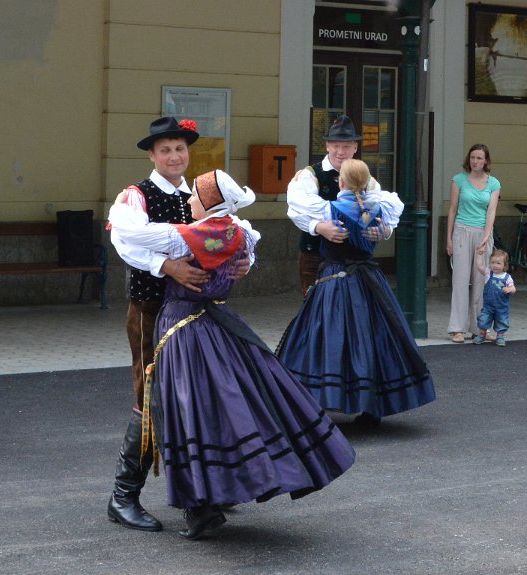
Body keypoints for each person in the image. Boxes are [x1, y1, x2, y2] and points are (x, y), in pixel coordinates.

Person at [108, 169, 356, 540]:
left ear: (210, 203)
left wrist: (120, 210)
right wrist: (243, 260)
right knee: (220, 405)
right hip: (214, 323)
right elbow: (248, 243)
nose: (188, 201)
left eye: (195, 196)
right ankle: (204, 497)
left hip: (183, 327)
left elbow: (133, 234)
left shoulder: (194, 234)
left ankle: (192, 502)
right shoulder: (237, 230)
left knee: (183, 410)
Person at [105, 116, 250, 533]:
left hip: (199, 316)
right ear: (151, 155)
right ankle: (123, 496)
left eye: (180, 149)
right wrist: (166, 265)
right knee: (151, 399)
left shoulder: (200, 196)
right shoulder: (136, 196)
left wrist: (244, 262)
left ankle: (205, 491)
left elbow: (236, 232)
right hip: (151, 311)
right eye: (165, 150)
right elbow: (123, 241)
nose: (174, 156)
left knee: (199, 397)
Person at [277, 159, 436, 428]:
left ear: (341, 182)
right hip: (369, 280)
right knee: (373, 336)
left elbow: (298, 207)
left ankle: (318, 401)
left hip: (335, 280)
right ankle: (371, 405)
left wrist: (318, 226)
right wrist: (385, 230)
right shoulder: (380, 207)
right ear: (368, 183)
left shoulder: (329, 209)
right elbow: (388, 216)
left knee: (326, 337)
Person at [288, 115, 380, 293]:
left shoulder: (366, 178)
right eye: (336, 145)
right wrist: (319, 227)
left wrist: (383, 229)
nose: (340, 152)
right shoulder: (310, 175)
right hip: (315, 255)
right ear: (327, 146)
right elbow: (295, 211)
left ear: (355, 147)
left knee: (354, 305)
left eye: (346, 146)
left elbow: (379, 208)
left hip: (356, 258)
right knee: (317, 306)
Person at [446, 143, 501, 343]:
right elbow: (452, 209)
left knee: (482, 282)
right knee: (460, 281)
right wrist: (449, 238)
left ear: (486, 161)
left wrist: (487, 236)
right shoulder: (459, 180)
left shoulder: (494, 183)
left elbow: (491, 210)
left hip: (483, 234)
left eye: (479, 158)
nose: (475, 161)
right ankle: (457, 328)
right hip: (462, 231)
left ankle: (480, 328)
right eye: (472, 157)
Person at [473, 249, 515, 347]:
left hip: (501, 306)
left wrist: (509, 289)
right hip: (488, 306)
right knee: (483, 319)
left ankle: (500, 337)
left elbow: (514, 288)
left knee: (502, 321)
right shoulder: (489, 273)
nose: (495, 265)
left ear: (505, 265)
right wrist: (479, 255)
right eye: (492, 262)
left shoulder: (507, 277)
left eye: (498, 263)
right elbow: (479, 266)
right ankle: (482, 335)